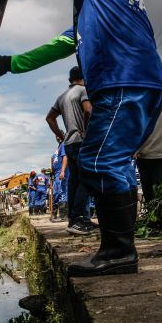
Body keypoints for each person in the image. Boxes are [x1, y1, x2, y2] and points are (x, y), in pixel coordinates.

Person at [0, 0, 162, 276]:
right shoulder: (102, 4)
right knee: (115, 163)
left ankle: (119, 252)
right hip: (142, 82)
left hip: (123, 80)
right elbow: (59, 45)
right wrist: (10, 64)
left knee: (97, 160)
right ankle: (119, 251)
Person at [46, 66, 94, 235]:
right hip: (82, 141)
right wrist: (87, 131)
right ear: (83, 77)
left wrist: (60, 135)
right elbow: (88, 110)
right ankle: (79, 218)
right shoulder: (83, 90)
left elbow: (49, 118)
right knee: (87, 180)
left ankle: (74, 220)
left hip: (69, 143)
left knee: (74, 182)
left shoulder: (62, 96)